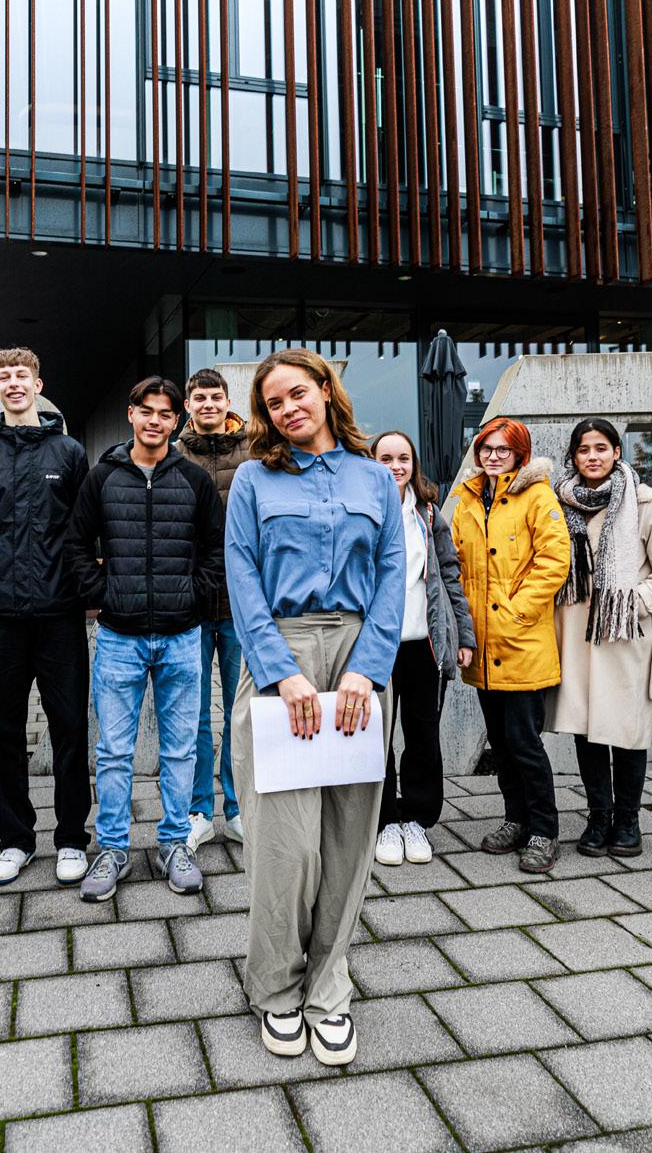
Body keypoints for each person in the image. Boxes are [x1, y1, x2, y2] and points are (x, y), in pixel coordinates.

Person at [227, 349, 405, 1069]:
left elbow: (393, 570)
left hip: (360, 660)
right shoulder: (252, 479)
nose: (288, 409)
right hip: (281, 654)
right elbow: (241, 575)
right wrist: (281, 672)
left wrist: (369, 666)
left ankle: (329, 985)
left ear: (327, 392)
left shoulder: (374, 477)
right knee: (286, 843)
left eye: (298, 393)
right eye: (274, 403)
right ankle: (274, 986)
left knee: (348, 838)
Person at [67, 376, 225, 903]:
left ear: (176, 421)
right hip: (119, 636)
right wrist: (102, 594)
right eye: (147, 411)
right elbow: (75, 542)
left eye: (165, 413)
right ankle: (112, 849)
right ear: (131, 414)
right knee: (114, 751)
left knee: (180, 751)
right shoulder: (103, 477)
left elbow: (216, 548)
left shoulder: (193, 480)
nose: (155, 421)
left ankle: (174, 844)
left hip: (182, 636)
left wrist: (193, 596)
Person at [0, 348, 91, 887]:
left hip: (61, 616)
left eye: (22, 375)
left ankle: (72, 839)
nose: (14, 383)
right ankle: (14, 840)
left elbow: (84, 530)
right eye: (4, 377)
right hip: (3, 618)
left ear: (39, 385)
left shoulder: (69, 453)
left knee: (70, 729)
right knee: (2, 733)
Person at [546, 419, 652, 859]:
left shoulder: (642, 501)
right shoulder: (559, 502)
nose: (592, 456)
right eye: (584, 449)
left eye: (601, 448)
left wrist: (635, 602)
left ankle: (628, 820)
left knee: (627, 729)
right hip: (575, 634)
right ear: (573, 456)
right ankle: (598, 816)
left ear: (616, 452)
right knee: (586, 729)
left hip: (624, 634)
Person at [451, 419, 571, 874]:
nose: (493, 456)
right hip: (483, 646)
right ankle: (515, 819)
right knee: (500, 744)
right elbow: (457, 562)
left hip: (521, 641)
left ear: (521, 454)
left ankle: (544, 830)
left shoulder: (537, 495)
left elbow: (554, 560)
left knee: (524, 743)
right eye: (487, 448)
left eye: (503, 449)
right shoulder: (467, 498)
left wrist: (517, 611)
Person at [370, 430, 475, 866]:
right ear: (372, 462)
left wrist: (463, 636)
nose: (395, 466)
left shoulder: (428, 514)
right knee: (375, 739)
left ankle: (417, 819)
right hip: (375, 647)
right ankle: (383, 822)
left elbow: (450, 575)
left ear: (414, 465)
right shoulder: (363, 511)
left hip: (423, 645)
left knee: (423, 737)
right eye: (386, 458)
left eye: (403, 459)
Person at [175, 367, 250, 852]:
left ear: (227, 401)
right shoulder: (175, 455)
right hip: (194, 605)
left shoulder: (254, 451)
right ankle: (199, 810)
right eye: (199, 398)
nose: (208, 404)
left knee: (243, 711)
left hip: (243, 605)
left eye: (215, 397)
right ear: (188, 405)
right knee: (196, 713)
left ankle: (239, 808)